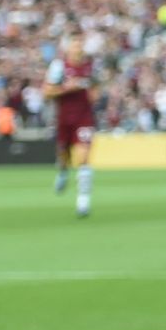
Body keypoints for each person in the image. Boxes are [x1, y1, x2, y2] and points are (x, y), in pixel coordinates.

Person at [45, 39, 97, 218]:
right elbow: (47, 92)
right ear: (68, 49)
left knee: (83, 157)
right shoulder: (59, 67)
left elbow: (96, 88)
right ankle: (62, 171)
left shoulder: (90, 67)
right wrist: (67, 88)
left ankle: (83, 201)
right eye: (76, 45)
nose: (79, 48)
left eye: (81, 45)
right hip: (64, 119)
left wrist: (93, 96)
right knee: (63, 156)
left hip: (84, 118)